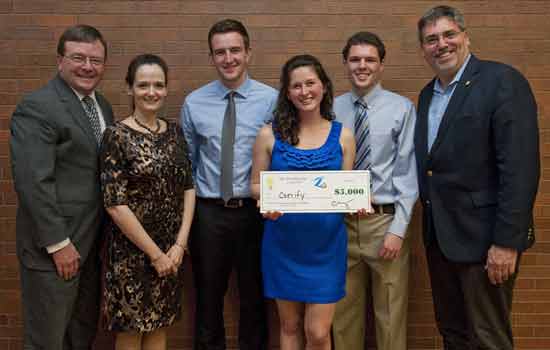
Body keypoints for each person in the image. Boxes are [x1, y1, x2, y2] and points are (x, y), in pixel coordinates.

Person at [415, 5, 539, 349]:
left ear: (466, 37)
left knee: (488, 338)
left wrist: (506, 242)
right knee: (453, 333)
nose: (441, 44)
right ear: (423, 49)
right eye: (431, 39)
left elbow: (520, 167)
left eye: (449, 35)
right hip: (441, 239)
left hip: (485, 242)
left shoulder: (502, 81)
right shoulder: (428, 95)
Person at [9, 25, 114, 349]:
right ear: (60, 61)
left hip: (91, 245)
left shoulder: (103, 106)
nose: (87, 66)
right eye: (78, 58)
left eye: (95, 60)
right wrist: (58, 243)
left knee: (80, 334)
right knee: (48, 339)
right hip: (55, 250)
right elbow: (33, 182)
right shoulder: (38, 107)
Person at [180, 19, 277, 350]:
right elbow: (188, 167)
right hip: (209, 214)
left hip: (255, 213)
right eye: (220, 52)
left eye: (235, 50)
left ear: (249, 53)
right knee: (207, 298)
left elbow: (282, 157)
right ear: (211, 58)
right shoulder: (194, 103)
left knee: (255, 298)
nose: (228, 58)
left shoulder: (272, 101)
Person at [251, 54, 356, 350]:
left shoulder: (344, 136)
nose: (304, 91)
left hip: (327, 247)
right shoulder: (268, 134)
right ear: (287, 92)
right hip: (282, 244)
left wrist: (357, 200)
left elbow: (344, 190)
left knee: (319, 332)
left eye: (311, 83)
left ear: (323, 86)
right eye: (296, 86)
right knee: (289, 326)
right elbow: (255, 185)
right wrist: (266, 200)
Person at [100, 54, 195, 350]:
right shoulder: (115, 136)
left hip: (171, 251)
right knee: (131, 332)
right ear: (129, 88)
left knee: (159, 326)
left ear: (166, 89)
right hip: (132, 254)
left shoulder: (175, 132)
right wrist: (155, 255)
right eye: (143, 85)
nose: (151, 92)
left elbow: (189, 188)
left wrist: (179, 245)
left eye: (158, 85)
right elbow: (115, 203)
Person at [331, 32, 418, 350]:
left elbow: (407, 173)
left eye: (369, 59)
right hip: (339, 224)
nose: (362, 66)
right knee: (342, 319)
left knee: (391, 318)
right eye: (355, 59)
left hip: (384, 223)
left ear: (381, 65)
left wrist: (398, 229)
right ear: (344, 64)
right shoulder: (330, 109)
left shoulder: (402, 109)